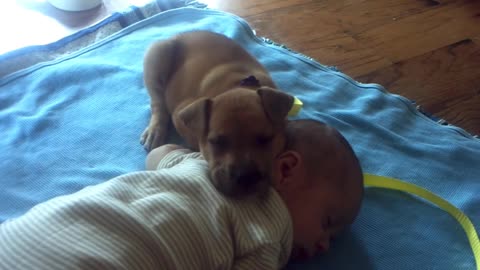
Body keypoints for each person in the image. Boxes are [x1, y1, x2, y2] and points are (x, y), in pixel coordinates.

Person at [0, 119, 363, 269]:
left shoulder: (205, 167)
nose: (324, 246)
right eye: (328, 223)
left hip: (26, 235)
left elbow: (158, 155)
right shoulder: (271, 234)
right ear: (285, 170)